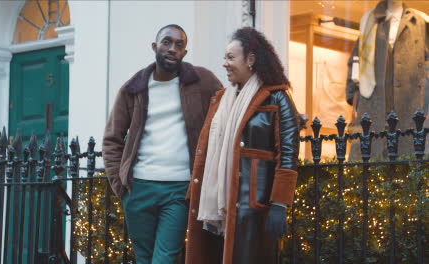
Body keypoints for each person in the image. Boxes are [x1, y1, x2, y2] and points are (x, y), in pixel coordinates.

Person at [102, 24, 222, 264]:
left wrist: (285, 114)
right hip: (139, 189)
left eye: (179, 45)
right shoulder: (132, 89)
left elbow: (233, 104)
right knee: (144, 258)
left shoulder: (202, 81)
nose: (172, 48)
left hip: (178, 189)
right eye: (167, 42)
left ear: (184, 53)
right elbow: (112, 139)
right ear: (155, 47)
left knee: (164, 257)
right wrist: (121, 187)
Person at [185, 27, 300, 264]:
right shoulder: (220, 100)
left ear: (250, 60)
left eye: (230, 57)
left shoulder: (277, 97)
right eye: (224, 57)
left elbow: (288, 153)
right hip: (216, 209)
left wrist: (279, 203)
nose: (224, 64)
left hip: (255, 207)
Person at [346, 0, 429, 159]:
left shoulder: (420, 22)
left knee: (407, 163)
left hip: (410, 106)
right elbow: (356, 60)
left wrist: (425, 99)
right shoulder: (369, 21)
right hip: (374, 104)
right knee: (370, 164)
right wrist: (353, 97)